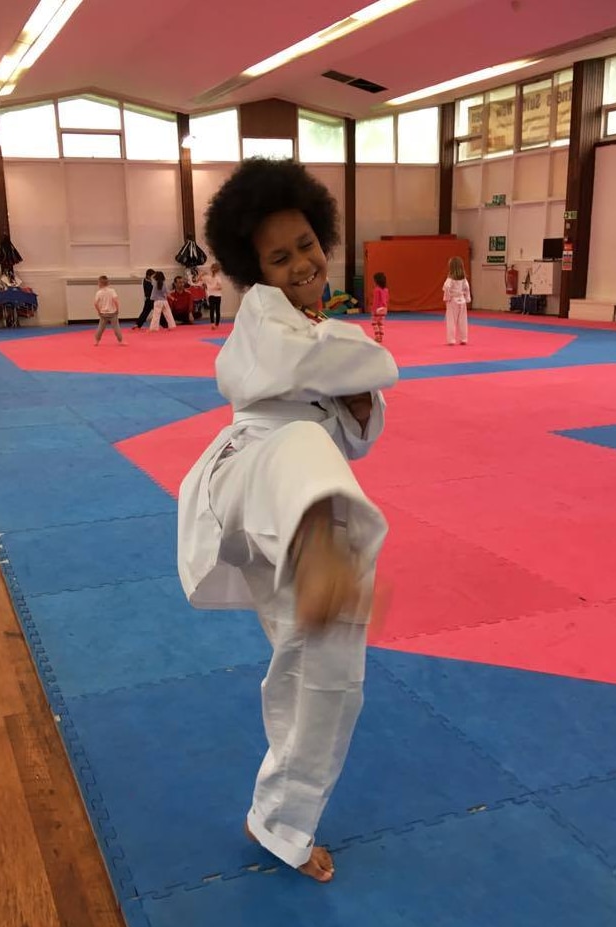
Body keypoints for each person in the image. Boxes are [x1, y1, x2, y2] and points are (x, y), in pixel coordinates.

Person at [177, 158, 398, 883]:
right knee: (306, 452)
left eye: (306, 243)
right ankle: (326, 545)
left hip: (285, 512)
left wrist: (361, 403)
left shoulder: (315, 330)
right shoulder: (264, 321)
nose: (301, 262)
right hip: (255, 474)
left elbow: (358, 425)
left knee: (330, 667)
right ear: (254, 269)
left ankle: (280, 817)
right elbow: (359, 360)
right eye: (279, 255)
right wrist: (362, 365)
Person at [443, 256, 471, 345]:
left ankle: (451, 340)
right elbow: (467, 288)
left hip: (453, 300)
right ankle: (464, 338)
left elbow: (446, 287)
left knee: (451, 320)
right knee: (463, 320)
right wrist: (467, 298)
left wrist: (447, 297)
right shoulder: (463, 278)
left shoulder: (450, 278)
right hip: (462, 300)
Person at [93, 275, 125, 346]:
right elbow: (116, 300)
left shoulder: (99, 293)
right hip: (113, 313)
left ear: (100, 283)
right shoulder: (112, 291)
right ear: (108, 283)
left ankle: (97, 341)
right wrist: (117, 309)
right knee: (116, 327)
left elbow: (95, 303)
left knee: (100, 328)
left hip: (103, 313)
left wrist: (99, 311)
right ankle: (120, 341)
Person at [204, 262, 224, 329]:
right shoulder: (208, 277)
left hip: (217, 295)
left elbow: (220, 287)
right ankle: (213, 324)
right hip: (212, 295)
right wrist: (201, 275)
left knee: (216, 310)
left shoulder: (217, 278)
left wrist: (212, 287)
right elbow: (198, 281)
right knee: (213, 309)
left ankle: (216, 324)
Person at [371, 271, 389, 343]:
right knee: (381, 323)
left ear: (376, 281)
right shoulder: (386, 290)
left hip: (378, 309)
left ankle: (377, 337)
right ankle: (381, 337)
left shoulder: (376, 290)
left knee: (374, 323)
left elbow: (376, 301)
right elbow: (387, 299)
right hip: (384, 309)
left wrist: (373, 310)